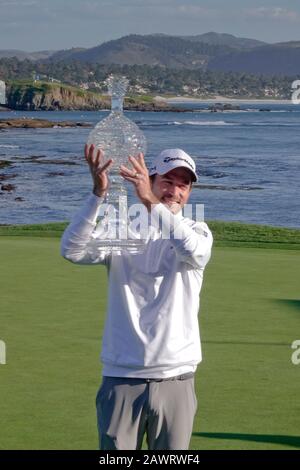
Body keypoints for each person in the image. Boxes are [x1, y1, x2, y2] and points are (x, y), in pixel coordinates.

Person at [61, 144, 213, 450]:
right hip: (121, 377)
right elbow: (72, 250)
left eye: (183, 184)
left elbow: (190, 250)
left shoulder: (198, 231)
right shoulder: (121, 230)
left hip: (176, 379)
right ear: (151, 180)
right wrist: (97, 194)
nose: (174, 191)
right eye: (167, 182)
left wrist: (149, 201)